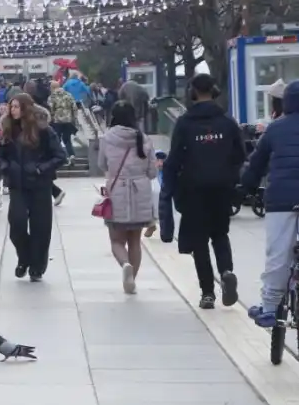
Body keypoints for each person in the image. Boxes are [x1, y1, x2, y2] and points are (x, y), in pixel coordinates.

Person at [163, 73, 243, 309]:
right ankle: (227, 271)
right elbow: (240, 155)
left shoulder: (185, 124)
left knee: (199, 241)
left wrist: (169, 188)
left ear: (192, 92)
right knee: (220, 234)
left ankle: (208, 292)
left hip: (193, 190)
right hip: (222, 189)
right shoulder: (227, 122)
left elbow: (174, 158)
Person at [240, 78, 299, 326]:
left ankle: (270, 307)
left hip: (281, 201)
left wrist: (245, 188)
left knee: (278, 256)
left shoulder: (276, 129)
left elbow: (256, 164)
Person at [0, 93, 67, 282]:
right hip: (18, 185)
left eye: (16, 107)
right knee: (17, 224)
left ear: (26, 108)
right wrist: (6, 168)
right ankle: (25, 257)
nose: (12, 110)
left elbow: (60, 156)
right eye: (11, 106)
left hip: (40, 185)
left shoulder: (44, 130)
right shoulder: (8, 129)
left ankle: (37, 267)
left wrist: (40, 168)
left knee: (41, 228)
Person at [98, 101, 160, 294]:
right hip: (140, 192)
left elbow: (102, 165)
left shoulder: (107, 138)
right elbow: (152, 172)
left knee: (116, 240)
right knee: (135, 240)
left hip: (117, 192)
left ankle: (125, 265)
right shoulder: (143, 138)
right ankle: (132, 279)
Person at [48, 81, 78, 158]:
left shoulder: (52, 96)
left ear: (52, 88)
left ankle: (60, 156)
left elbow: (50, 108)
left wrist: (51, 118)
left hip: (57, 121)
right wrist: (74, 118)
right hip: (68, 120)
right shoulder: (68, 95)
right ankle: (71, 155)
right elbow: (74, 107)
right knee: (67, 139)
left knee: (57, 139)